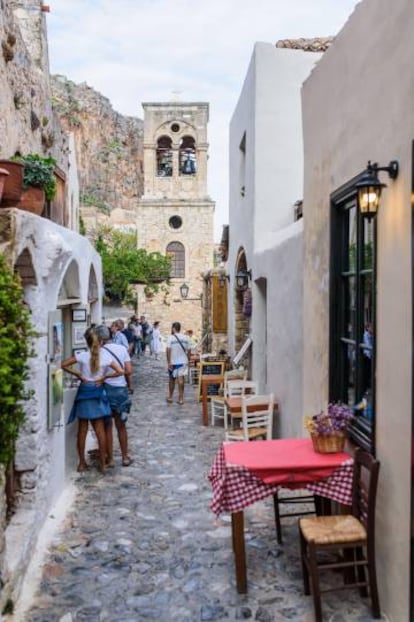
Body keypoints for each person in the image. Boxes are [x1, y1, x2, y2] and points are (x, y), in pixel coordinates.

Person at [62, 327, 123, 474]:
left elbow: (63, 364)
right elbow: (120, 371)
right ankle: (102, 464)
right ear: (100, 342)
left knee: (82, 430)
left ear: (87, 342)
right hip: (97, 392)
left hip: (84, 392)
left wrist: (79, 375)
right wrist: (104, 377)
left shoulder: (82, 355)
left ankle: (82, 463)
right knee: (100, 430)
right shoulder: (106, 358)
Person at [94, 324, 134, 467]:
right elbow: (128, 370)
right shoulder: (122, 349)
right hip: (120, 391)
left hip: (105, 391)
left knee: (107, 426)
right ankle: (124, 457)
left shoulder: (98, 352)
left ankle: (110, 459)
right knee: (121, 426)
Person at [166, 322, 190, 405]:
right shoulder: (186, 338)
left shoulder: (170, 338)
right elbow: (189, 350)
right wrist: (188, 360)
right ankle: (181, 398)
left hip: (173, 362)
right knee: (181, 380)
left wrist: (169, 362)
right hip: (183, 361)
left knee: (172, 379)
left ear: (173, 328)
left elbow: (168, 350)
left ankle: (170, 397)